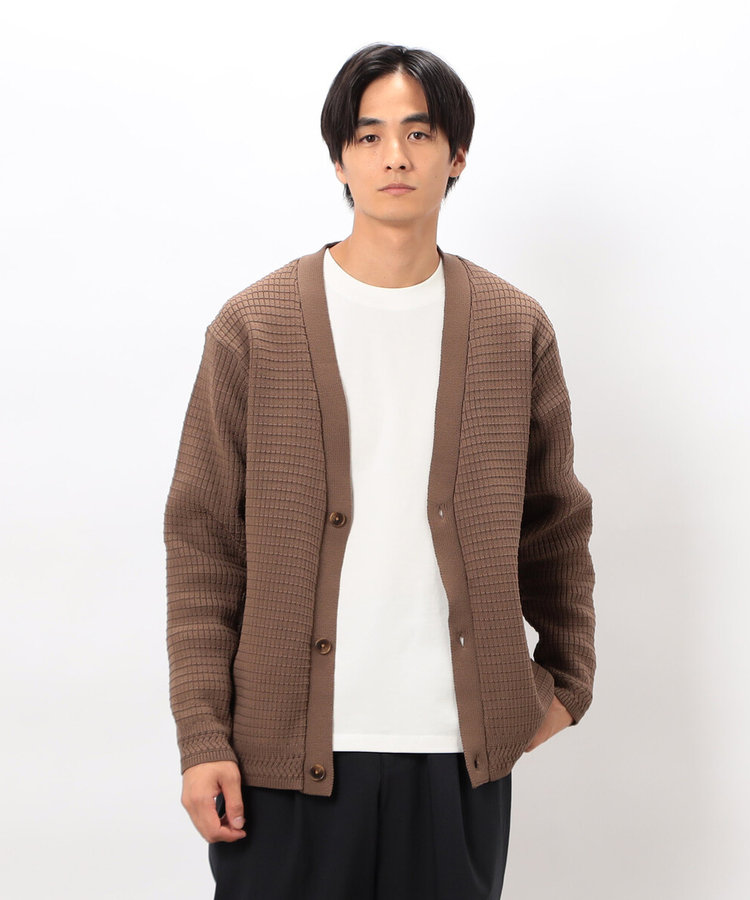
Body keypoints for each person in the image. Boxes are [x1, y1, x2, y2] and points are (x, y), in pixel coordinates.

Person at [164, 42, 596, 900]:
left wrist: (568, 681)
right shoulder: (255, 327)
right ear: (339, 160)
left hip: (456, 758)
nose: (394, 155)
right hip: (281, 761)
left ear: (456, 155)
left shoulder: (513, 328)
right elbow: (203, 541)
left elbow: (555, 522)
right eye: (368, 136)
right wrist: (203, 735)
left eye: (418, 132)